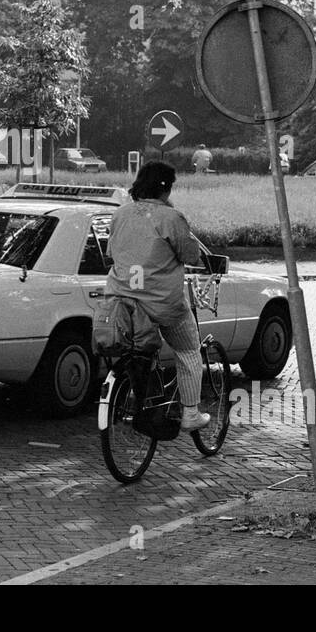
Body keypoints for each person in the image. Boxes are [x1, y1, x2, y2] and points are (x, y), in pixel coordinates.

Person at [104, 161, 210, 432]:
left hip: (121, 300)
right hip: (161, 303)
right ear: (166, 188)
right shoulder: (171, 218)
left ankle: (136, 394)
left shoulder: (120, 214)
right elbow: (190, 255)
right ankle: (190, 414)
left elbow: (111, 253)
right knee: (188, 351)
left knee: (138, 350)